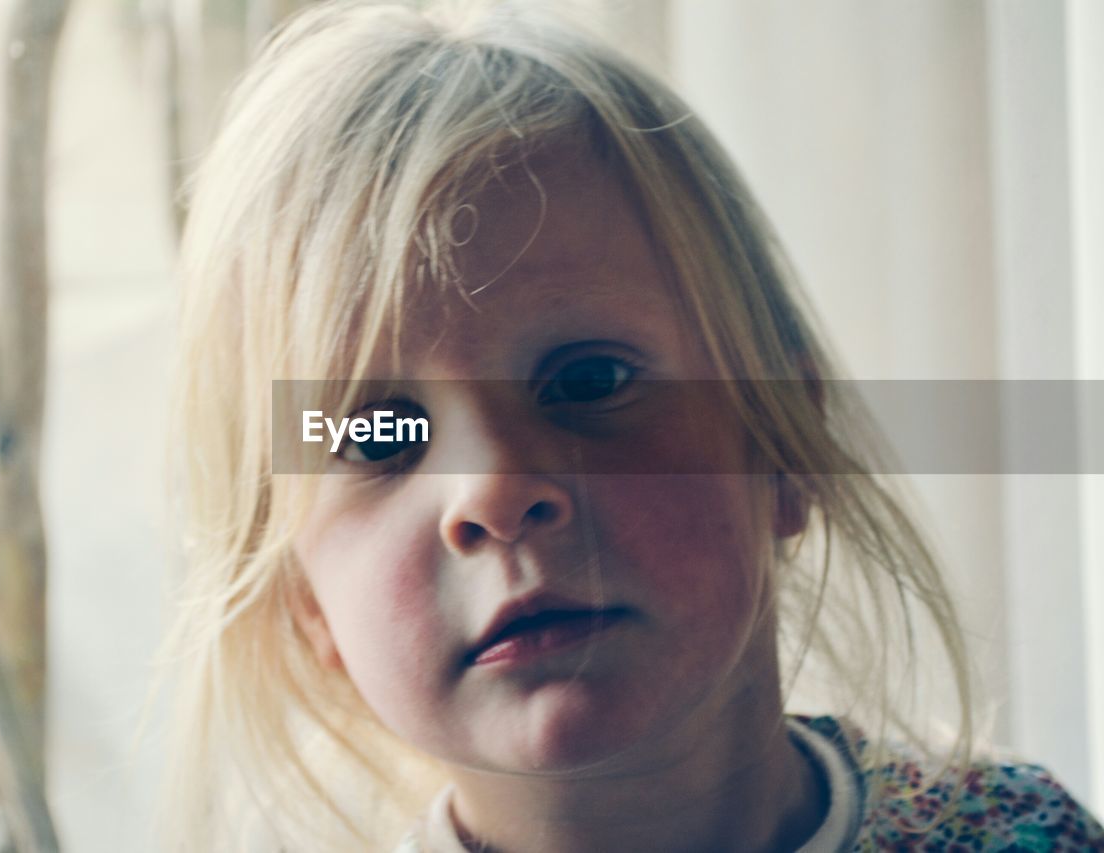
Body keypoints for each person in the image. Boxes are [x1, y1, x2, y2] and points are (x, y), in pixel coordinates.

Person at [158, 1, 1104, 850]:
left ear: (780, 444)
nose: (491, 493)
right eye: (375, 439)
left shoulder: (1024, 836)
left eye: (589, 380)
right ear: (306, 601)